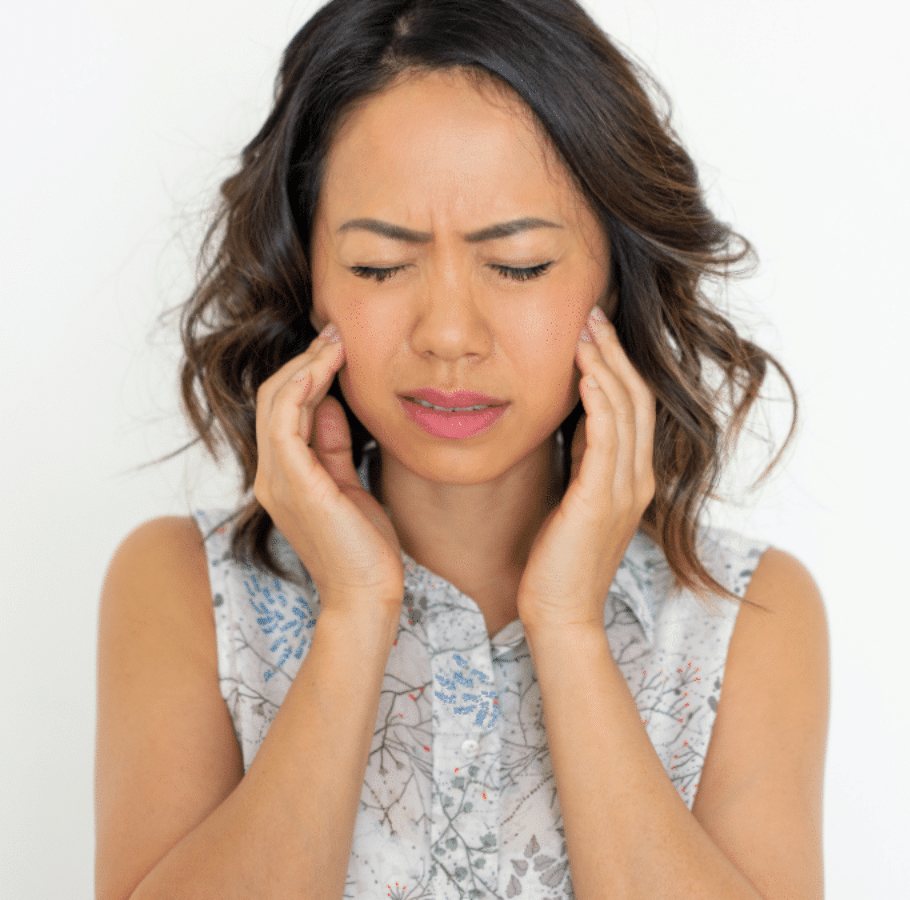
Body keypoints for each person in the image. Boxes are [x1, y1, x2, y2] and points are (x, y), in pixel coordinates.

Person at [95, 1, 829, 898]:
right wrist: (355, 612)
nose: (448, 333)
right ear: (309, 278)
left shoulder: (742, 617)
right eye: (377, 266)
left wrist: (568, 629)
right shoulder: (186, 591)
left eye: (517, 264)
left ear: (615, 275)